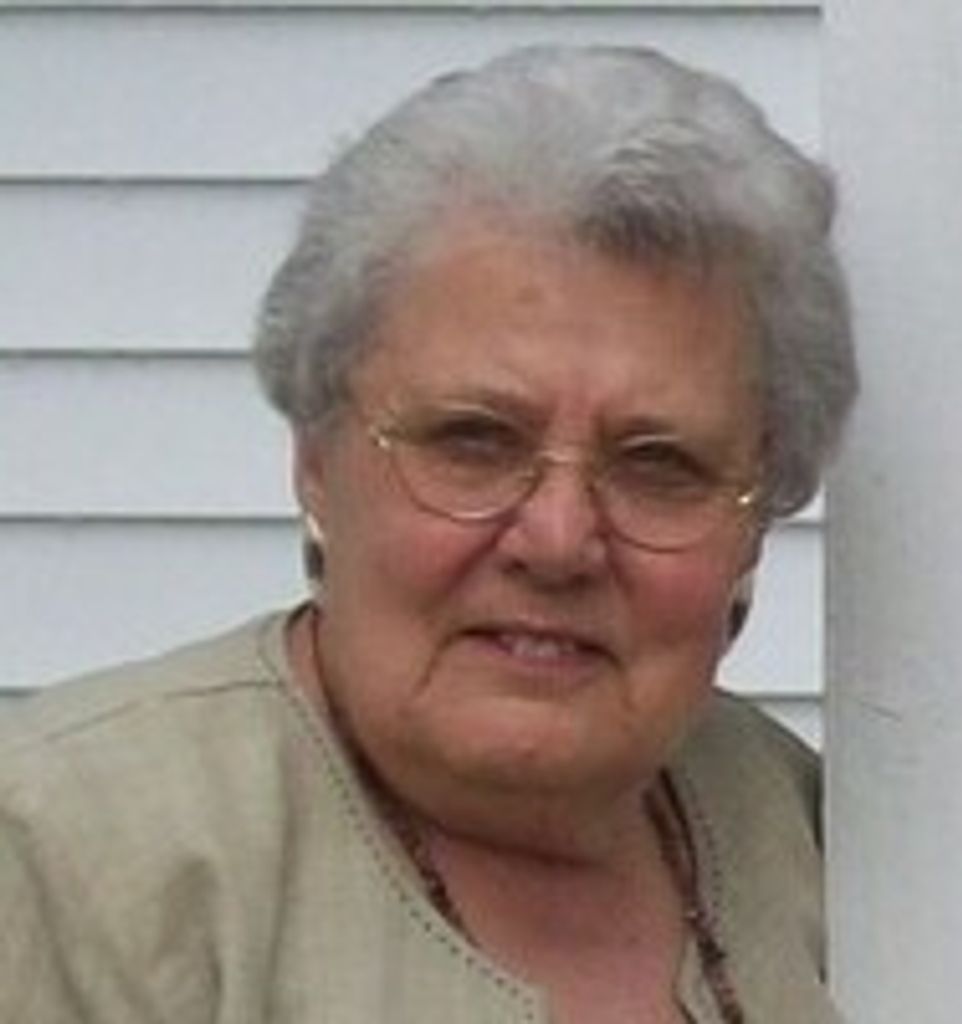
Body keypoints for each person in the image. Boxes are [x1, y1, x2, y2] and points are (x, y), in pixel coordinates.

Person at [0, 45, 856, 1023]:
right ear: (315, 458)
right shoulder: (69, 853)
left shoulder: (820, 839)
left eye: (659, 464)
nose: (559, 540)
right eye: (474, 441)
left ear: (757, 514)